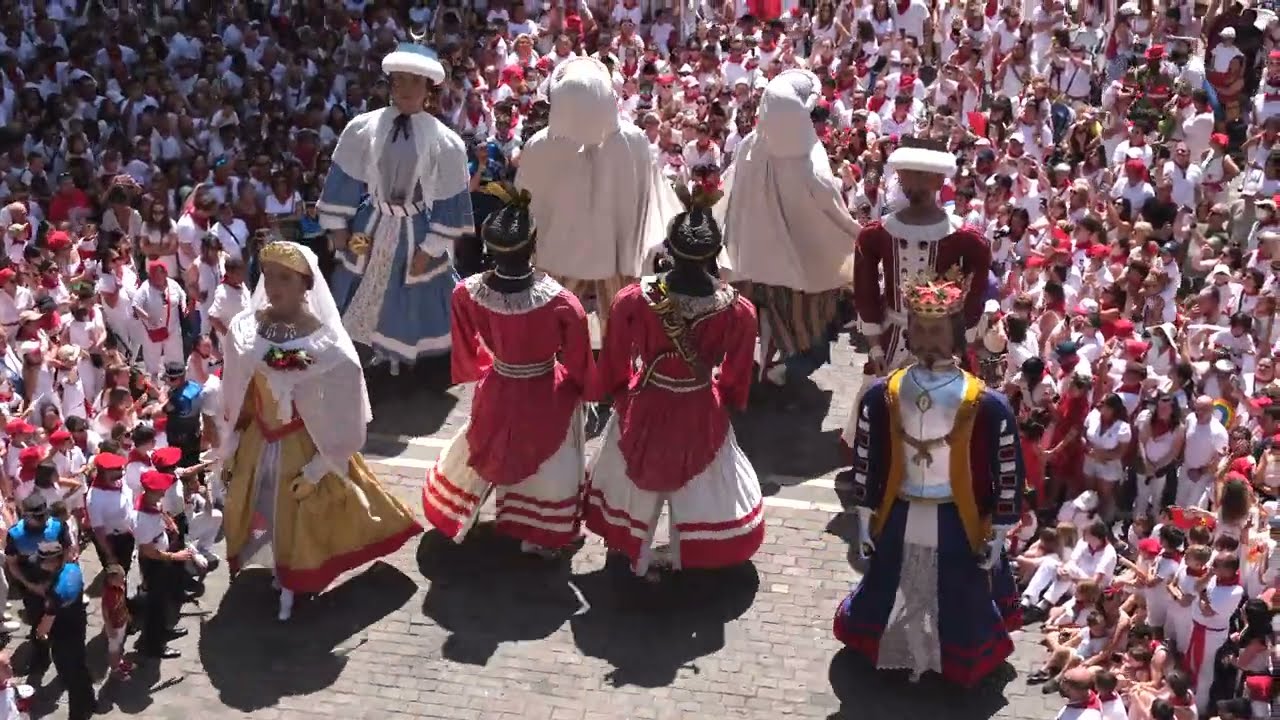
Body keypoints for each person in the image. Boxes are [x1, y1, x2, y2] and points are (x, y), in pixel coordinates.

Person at [833, 266, 1024, 686]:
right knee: (889, 579)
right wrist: (863, 515)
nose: (929, 341)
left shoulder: (987, 404)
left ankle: (953, 656)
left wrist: (1000, 531)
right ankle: (888, 643)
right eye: (921, 330)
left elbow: (1007, 469)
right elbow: (868, 458)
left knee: (959, 591)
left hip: (958, 515)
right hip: (899, 506)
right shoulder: (882, 395)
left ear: (956, 334)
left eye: (939, 332)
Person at [219, 242, 422, 621]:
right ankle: (281, 571)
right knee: (260, 504)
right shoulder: (246, 329)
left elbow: (345, 402)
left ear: (305, 285)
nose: (274, 284)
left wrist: (321, 465)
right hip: (260, 438)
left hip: (303, 440)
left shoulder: (324, 342)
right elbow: (240, 384)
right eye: (268, 275)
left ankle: (293, 583)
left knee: (298, 515)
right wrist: (230, 437)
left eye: (285, 277)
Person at [584, 187, 764, 579]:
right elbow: (736, 378)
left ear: (670, 248)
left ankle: (635, 548)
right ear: (715, 254)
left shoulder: (635, 298)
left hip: (646, 399)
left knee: (637, 482)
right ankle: (690, 553)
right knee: (696, 486)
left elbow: (613, 359)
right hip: (699, 405)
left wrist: (619, 393)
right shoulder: (738, 310)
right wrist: (727, 398)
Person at [422, 185, 594, 556]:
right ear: (534, 245)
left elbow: (467, 354)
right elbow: (581, 363)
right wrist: (587, 389)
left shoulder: (466, 293)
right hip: (547, 391)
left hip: (499, 384)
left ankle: (467, 513)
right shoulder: (564, 304)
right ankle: (540, 532)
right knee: (548, 464)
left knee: (489, 449)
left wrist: (490, 369)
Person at [320, 38, 473, 376]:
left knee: (410, 291)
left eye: (414, 81)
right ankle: (368, 353)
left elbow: (450, 200)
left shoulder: (444, 141)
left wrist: (431, 247)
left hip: (414, 226)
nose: (405, 88)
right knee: (360, 283)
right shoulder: (363, 127)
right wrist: (340, 228)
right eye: (399, 80)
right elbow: (343, 178)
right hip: (370, 221)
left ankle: (399, 359)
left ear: (428, 89)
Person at [515, 57, 680, 336]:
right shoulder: (634, 140)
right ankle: (613, 365)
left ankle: (562, 361)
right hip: (615, 254)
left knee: (560, 319)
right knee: (616, 320)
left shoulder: (540, 146)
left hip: (563, 254)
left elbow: (527, 202)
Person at [717, 69, 860, 386]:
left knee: (750, 320)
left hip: (749, 265)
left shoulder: (750, 147)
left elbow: (727, 192)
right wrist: (860, 236)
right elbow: (835, 215)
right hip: (798, 275)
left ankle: (758, 375)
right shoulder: (812, 164)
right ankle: (784, 376)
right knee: (817, 333)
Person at [848, 137, 992, 375]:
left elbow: (974, 297)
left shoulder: (966, 239)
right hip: (891, 343)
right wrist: (875, 349)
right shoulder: (877, 234)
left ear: (939, 180)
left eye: (924, 175)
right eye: (910, 174)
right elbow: (866, 292)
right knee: (875, 402)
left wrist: (960, 344)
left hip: (943, 349)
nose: (915, 184)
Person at [31, 541, 94, 720]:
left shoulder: (56, 592)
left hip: (63, 636)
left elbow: (47, 622)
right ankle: (89, 701)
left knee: (70, 675)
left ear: (53, 562)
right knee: (80, 667)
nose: (40, 565)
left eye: (42, 561)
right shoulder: (73, 569)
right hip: (78, 625)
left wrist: (39, 634)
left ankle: (78, 714)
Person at [134, 470, 190, 661]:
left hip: (162, 559)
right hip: (154, 564)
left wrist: (169, 521)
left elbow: (159, 509)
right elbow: (148, 551)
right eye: (159, 491)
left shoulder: (150, 502)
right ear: (149, 491)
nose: (163, 494)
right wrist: (175, 557)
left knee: (163, 600)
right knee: (155, 606)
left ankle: (163, 631)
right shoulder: (143, 519)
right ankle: (153, 645)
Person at [130, 260, 188, 378]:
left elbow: (182, 295)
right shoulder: (145, 288)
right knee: (152, 363)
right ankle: (153, 385)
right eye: (155, 273)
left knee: (175, 359)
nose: (158, 275)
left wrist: (183, 306)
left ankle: (174, 382)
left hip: (172, 328)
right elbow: (135, 305)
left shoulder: (172, 284)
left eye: (161, 272)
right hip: (153, 331)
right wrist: (148, 317)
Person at [85, 451, 135, 574]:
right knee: (116, 573)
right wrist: (109, 555)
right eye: (117, 469)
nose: (122, 471)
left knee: (126, 568)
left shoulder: (121, 482)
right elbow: (99, 531)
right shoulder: (95, 498)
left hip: (127, 535)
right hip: (113, 540)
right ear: (105, 472)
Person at [161, 361, 204, 467]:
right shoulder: (195, 387)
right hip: (194, 434)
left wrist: (161, 395)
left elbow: (161, 412)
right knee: (193, 462)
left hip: (179, 440)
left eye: (168, 378)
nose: (165, 380)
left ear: (175, 379)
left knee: (181, 467)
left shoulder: (178, 398)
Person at [101, 563, 133, 680]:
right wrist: (109, 628)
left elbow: (123, 602)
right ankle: (115, 669)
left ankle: (119, 662)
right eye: (121, 578)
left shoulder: (120, 587)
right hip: (114, 626)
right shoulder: (108, 594)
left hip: (122, 621)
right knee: (113, 649)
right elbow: (105, 613)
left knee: (119, 645)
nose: (124, 580)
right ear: (111, 580)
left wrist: (127, 615)